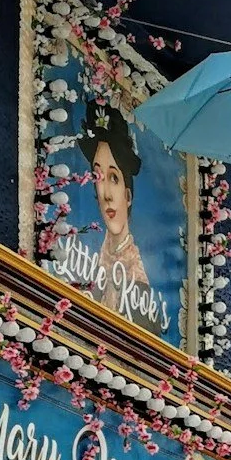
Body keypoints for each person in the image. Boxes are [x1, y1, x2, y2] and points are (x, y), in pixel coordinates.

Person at [81, 108, 152, 311]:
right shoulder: (94, 265)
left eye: (113, 178)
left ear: (128, 195)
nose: (107, 194)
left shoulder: (138, 280)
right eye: (98, 177)